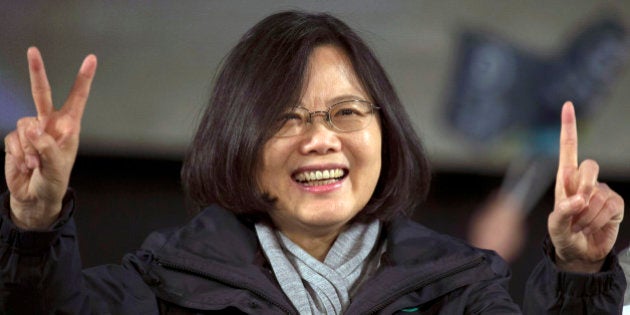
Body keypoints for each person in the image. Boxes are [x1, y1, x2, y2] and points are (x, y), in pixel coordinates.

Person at [0, 11, 625, 314]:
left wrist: (580, 271)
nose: (321, 139)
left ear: (388, 135)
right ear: (238, 144)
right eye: (287, 118)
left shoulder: (458, 287)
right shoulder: (164, 284)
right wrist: (35, 225)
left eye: (347, 112)